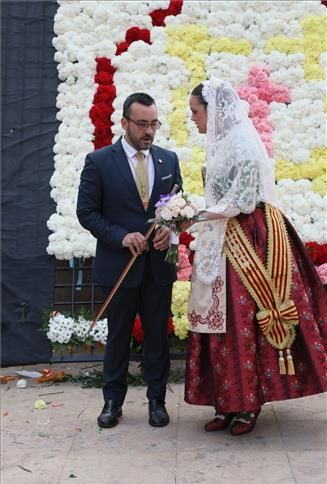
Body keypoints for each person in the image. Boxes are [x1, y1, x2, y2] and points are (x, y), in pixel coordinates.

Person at [184, 77, 327, 436]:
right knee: (216, 320)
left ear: (213, 110)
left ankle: (248, 402)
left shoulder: (243, 147)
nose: (193, 119)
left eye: (196, 112)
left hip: (250, 235)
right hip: (220, 235)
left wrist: (195, 215)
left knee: (241, 318)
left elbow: (242, 202)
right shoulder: (217, 144)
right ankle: (226, 400)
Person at [77, 92, 182, 429]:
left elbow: (176, 209)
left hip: (157, 267)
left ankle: (157, 401)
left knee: (157, 337)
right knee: (118, 335)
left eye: (153, 124)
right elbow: (87, 213)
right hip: (119, 266)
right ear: (124, 123)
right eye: (142, 124)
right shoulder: (99, 162)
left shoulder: (168, 160)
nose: (149, 131)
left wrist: (171, 232)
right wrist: (121, 236)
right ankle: (112, 402)